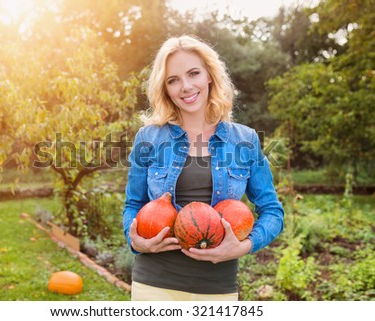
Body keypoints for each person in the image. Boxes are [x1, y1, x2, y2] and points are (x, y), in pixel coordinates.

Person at [122, 35, 284, 301]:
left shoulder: (244, 140)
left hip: (217, 287)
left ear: (209, 75)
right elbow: (133, 205)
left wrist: (243, 246)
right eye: (173, 80)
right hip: (155, 284)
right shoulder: (148, 138)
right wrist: (135, 240)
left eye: (193, 73)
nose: (185, 87)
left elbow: (272, 211)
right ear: (165, 88)